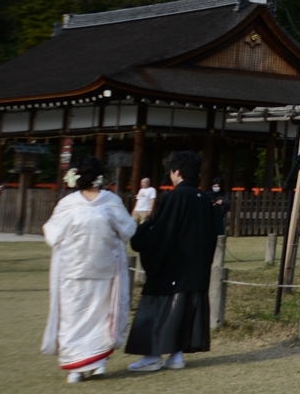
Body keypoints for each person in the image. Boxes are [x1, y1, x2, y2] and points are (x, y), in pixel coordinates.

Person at [41, 155, 136, 382]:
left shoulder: (69, 204)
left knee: (78, 317)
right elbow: (127, 229)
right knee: (95, 316)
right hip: (98, 267)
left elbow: (52, 234)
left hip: (78, 269)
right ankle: (89, 363)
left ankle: (87, 365)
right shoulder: (110, 201)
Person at [124, 150, 220, 372]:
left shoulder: (175, 197)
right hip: (196, 268)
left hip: (173, 266)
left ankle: (151, 357)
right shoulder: (204, 199)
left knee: (160, 309)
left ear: (177, 172)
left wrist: (139, 235)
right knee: (183, 311)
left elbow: (161, 231)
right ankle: (176, 355)